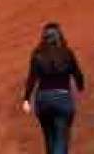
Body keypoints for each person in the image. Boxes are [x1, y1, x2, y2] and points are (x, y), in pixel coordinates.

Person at [22, 21, 86, 154]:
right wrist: (80, 87)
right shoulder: (67, 53)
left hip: (43, 100)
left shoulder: (37, 54)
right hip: (62, 99)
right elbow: (78, 74)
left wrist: (26, 99)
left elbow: (31, 78)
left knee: (49, 138)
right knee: (61, 138)